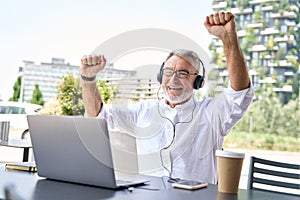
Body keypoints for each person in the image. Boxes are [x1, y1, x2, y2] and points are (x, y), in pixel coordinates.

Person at [80, 12, 254, 184]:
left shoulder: (211, 113)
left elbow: (240, 92)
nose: (173, 79)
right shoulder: (143, 110)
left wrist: (228, 37)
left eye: (183, 73)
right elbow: (98, 115)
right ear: (160, 76)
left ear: (198, 82)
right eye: (168, 72)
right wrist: (88, 79)